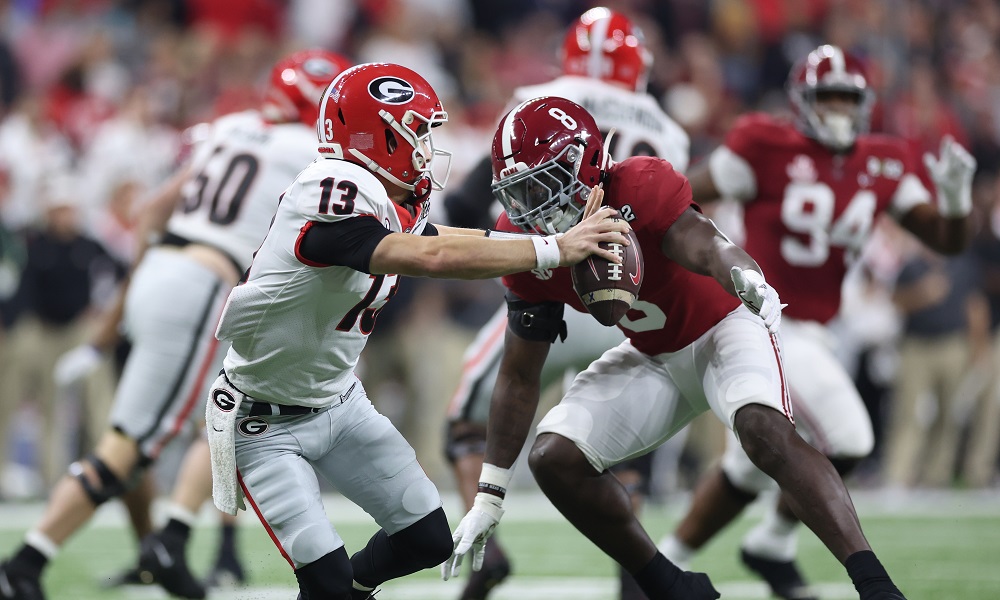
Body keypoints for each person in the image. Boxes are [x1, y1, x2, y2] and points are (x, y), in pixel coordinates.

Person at [442, 95, 912, 600]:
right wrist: (489, 494)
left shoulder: (639, 184)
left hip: (724, 329)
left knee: (762, 428)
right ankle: (670, 585)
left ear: (588, 165)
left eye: (544, 183)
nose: (530, 205)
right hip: (654, 356)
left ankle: (876, 585)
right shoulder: (526, 245)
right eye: (518, 191)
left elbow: (704, 243)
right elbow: (518, 374)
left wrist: (741, 273)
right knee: (554, 457)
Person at [203, 62, 629, 600]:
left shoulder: (385, 197)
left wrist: (544, 239)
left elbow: (445, 235)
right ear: (376, 136)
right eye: (415, 134)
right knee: (325, 581)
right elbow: (430, 254)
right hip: (263, 422)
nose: (426, 149)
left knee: (427, 539)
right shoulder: (330, 187)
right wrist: (552, 249)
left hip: (339, 402)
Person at [0, 48, 353, 600]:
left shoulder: (230, 128)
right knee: (132, 443)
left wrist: (120, 309)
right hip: (203, 284)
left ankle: (163, 543)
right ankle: (26, 564)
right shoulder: (309, 153)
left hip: (161, 273)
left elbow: (150, 211)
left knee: (205, 417)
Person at [655, 44, 975, 600]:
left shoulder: (882, 159)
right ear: (801, 101)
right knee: (849, 436)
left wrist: (954, 199)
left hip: (825, 331)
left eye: (846, 99)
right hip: (764, 320)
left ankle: (666, 562)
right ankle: (778, 544)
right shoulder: (765, 144)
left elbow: (946, 240)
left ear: (864, 103)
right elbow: (676, 204)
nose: (836, 109)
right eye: (826, 97)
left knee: (749, 469)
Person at [440, 8, 690, 600]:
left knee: (466, 423)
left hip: (547, 287)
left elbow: (471, 203)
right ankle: (634, 576)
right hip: (629, 303)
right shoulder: (665, 126)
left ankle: (488, 551)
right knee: (616, 446)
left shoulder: (541, 103)